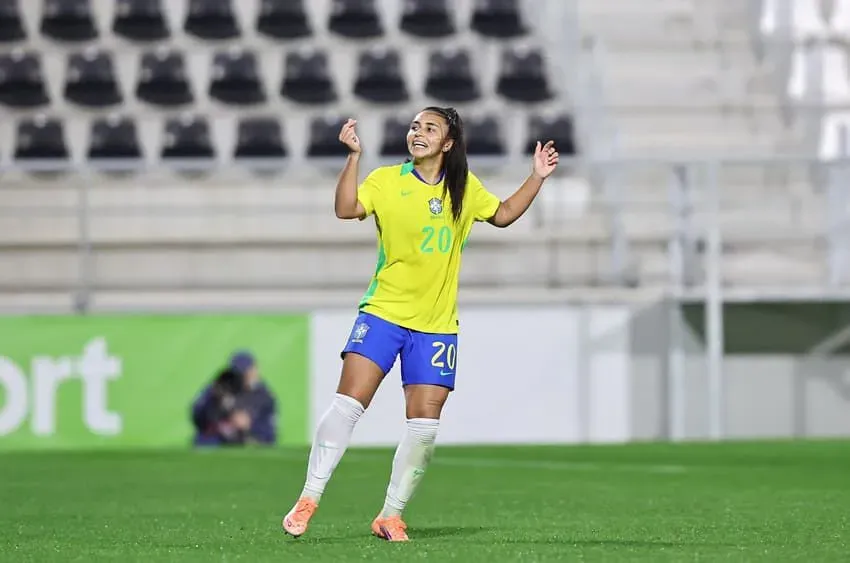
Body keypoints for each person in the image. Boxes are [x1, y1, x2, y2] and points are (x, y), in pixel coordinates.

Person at [281, 107, 559, 541]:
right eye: (414, 126)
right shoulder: (386, 180)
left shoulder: (463, 188)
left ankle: (390, 515)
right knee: (349, 404)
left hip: (435, 325)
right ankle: (309, 497)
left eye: (430, 128)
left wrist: (537, 177)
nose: (418, 133)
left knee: (424, 427)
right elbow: (345, 208)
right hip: (383, 313)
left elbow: (503, 215)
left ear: (448, 143)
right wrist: (353, 158)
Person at [191, 351, 278, 446]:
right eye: (240, 373)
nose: (245, 376)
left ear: (255, 369)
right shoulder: (220, 386)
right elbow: (197, 415)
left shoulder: (264, 397)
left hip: (245, 446)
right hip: (215, 443)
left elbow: (270, 436)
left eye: (247, 371)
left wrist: (250, 425)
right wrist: (212, 398)